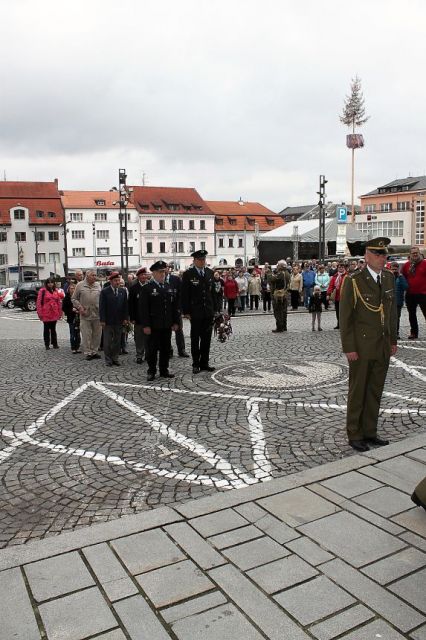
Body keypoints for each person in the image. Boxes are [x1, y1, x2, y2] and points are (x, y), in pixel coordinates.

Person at [339, 237, 397, 452]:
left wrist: (392, 340)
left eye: (384, 255)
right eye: (378, 254)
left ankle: (370, 431)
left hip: (382, 345)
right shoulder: (354, 280)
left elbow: (392, 314)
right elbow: (346, 318)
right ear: (367, 256)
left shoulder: (389, 278)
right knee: (358, 390)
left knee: (375, 390)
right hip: (361, 347)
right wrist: (349, 347)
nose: (383, 258)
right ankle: (354, 433)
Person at [141, 261, 180, 381]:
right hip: (153, 325)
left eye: (164, 271)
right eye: (160, 272)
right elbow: (143, 309)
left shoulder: (169, 287)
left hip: (166, 324)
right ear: (153, 273)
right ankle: (151, 371)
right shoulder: (147, 288)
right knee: (152, 350)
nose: (162, 274)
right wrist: (146, 325)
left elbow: (174, 307)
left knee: (165, 348)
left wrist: (175, 322)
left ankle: (164, 370)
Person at [181, 249, 215, 374]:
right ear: (194, 261)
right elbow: (185, 295)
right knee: (195, 339)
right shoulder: (188, 274)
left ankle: (204, 363)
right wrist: (186, 311)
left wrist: (216, 309)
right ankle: (196, 363)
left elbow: (213, 293)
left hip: (208, 312)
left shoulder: (209, 272)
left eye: (204, 259)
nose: (202, 262)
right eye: (200, 260)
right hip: (195, 312)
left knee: (207, 339)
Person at [99, 272, 129, 366]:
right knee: (107, 342)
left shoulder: (122, 291)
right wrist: (102, 320)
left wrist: (125, 318)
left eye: (118, 280)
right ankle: (108, 359)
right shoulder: (105, 291)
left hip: (119, 321)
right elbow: (102, 306)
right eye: (115, 280)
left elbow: (125, 306)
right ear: (111, 281)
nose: (117, 282)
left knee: (117, 340)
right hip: (108, 321)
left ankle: (115, 358)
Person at [72, 270, 102, 361]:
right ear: (87, 276)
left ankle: (95, 351)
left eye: (95, 275)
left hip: (97, 314)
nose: (95, 277)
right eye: (93, 275)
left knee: (97, 334)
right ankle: (88, 352)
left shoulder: (98, 285)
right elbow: (73, 299)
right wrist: (80, 307)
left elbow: (102, 298)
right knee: (86, 334)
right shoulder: (80, 285)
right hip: (85, 314)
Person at [401, 246, 426, 340]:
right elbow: (402, 277)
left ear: (419, 253)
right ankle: (414, 333)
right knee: (412, 314)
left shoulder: (424, 263)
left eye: (416, 252)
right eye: (413, 253)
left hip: (423, 293)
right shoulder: (406, 265)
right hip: (410, 294)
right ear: (410, 254)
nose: (415, 254)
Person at [166, 263, 190, 358]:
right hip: (166, 310)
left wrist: (181, 308)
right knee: (166, 332)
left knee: (179, 331)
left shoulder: (175, 279)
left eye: (167, 268)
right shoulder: (159, 280)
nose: (165, 270)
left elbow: (181, 294)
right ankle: (168, 350)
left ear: (169, 269)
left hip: (176, 310)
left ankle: (182, 350)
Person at [128, 266, 150, 363]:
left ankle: (148, 354)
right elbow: (131, 304)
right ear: (138, 277)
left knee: (149, 337)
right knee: (139, 337)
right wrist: (132, 317)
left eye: (145, 274)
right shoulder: (133, 288)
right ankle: (139, 355)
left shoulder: (151, 286)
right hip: (138, 318)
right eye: (141, 275)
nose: (143, 276)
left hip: (149, 318)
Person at [36, 278, 63, 350]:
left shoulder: (56, 291)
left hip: (54, 312)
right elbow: (38, 303)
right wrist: (40, 313)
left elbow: (59, 302)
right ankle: (47, 344)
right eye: (49, 283)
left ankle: (55, 343)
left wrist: (60, 312)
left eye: (52, 283)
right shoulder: (43, 291)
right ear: (46, 284)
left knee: (53, 329)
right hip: (46, 312)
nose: (50, 284)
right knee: (46, 329)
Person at [269, 260, 291, 332]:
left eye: (278, 265)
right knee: (284, 311)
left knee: (278, 311)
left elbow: (271, 279)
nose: (277, 267)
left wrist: (270, 273)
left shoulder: (281, 274)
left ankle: (279, 327)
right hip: (284, 294)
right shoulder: (287, 273)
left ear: (281, 266)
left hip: (279, 295)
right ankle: (284, 326)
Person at [390, 262, 408, 339]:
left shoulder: (401, 277)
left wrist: (400, 277)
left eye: (395, 269)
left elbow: (406, 287)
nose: (394, 270)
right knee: (388, 318)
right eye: (393, 269)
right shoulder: (388, 277)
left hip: (398, 301)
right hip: (389, 301)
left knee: (396, 318)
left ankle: (395, 333)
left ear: (398, 269)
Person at [327, 262, 348, 329]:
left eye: (342, 267)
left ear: (344, 268)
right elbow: (331, 286)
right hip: (337, 296)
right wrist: (328, 294)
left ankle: (345, 324)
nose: (340, 268)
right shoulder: (335, 276)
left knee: (345, 311)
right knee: (338, 311)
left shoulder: (347, 276)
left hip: (345, 296)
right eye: (339, 267)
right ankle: (339, 324)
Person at [62, 282, 81, 353]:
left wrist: (78, 309)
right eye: (71, 288)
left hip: (78, 317)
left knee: (78, 333)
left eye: (74, 288)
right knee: (72, 333)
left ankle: (78, 347)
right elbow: (64, 308)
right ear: (68, 289)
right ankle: (73, 347)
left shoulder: (78, 297)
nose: (72, 290)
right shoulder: (66, 298)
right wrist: (71, 310)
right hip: (71, 317)